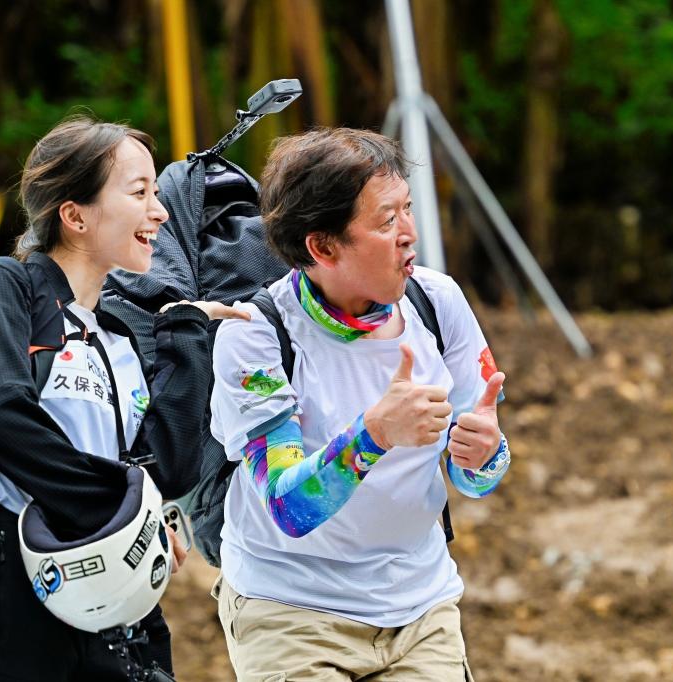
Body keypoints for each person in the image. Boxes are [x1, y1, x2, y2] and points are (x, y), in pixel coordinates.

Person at [0, 115, 248, 680]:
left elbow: (166, 468)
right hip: (16, 593)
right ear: (74, 216)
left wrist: (189, 335)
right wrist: (120, 510)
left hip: (119, 603)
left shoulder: (117, 331)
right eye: (139, 192)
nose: (161, 211)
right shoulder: (4, 287)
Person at [209, 127, 511, 681]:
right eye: (386, 220)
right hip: (291, 612)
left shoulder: (437, 302)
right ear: (322, 246)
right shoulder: (255, 336)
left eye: (408, 209)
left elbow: (477, 477)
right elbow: (288, 509)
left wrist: (483, 456)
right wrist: (374, 434)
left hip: (420, 607)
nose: (409, 234)